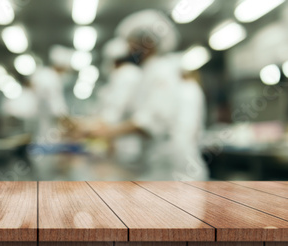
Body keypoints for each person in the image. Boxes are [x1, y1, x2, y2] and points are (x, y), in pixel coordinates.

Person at [87, 9, 208, 180]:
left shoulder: (161, 71)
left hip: (174, 167)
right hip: (157, 163)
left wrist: (108, 132)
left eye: (132, 43)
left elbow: (151, 121)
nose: (129, 49)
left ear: (148, 42)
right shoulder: (148, 72)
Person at [97, 37, 144, 170]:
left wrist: (85, 129)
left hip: (128, 146)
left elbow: (112, 116)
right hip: (123, 144)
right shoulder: (128, 74)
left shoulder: (126, 75)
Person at [30, 45, 72, 141]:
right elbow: (56, 106)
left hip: (44, 125)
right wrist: (69, 121)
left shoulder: (46, 75)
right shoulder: (50, 79)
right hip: (47, 128)